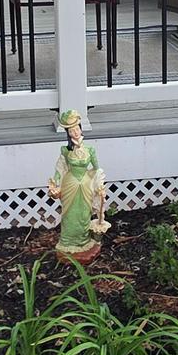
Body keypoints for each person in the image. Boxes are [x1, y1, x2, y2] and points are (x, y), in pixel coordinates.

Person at [48, 110, 110, 263]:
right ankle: (67, 242)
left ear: (81, 129)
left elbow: (96, 169)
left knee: (84, 213)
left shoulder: (90, 150)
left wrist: (99, 185)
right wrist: (55, 183)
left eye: (76, 129)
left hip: (86, 184)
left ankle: (83, 241)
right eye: (71, 131)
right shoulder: (65, 150)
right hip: (70, 184)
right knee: (69, 214)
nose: (75, 133)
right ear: (68, 134)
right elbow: (59, 169)